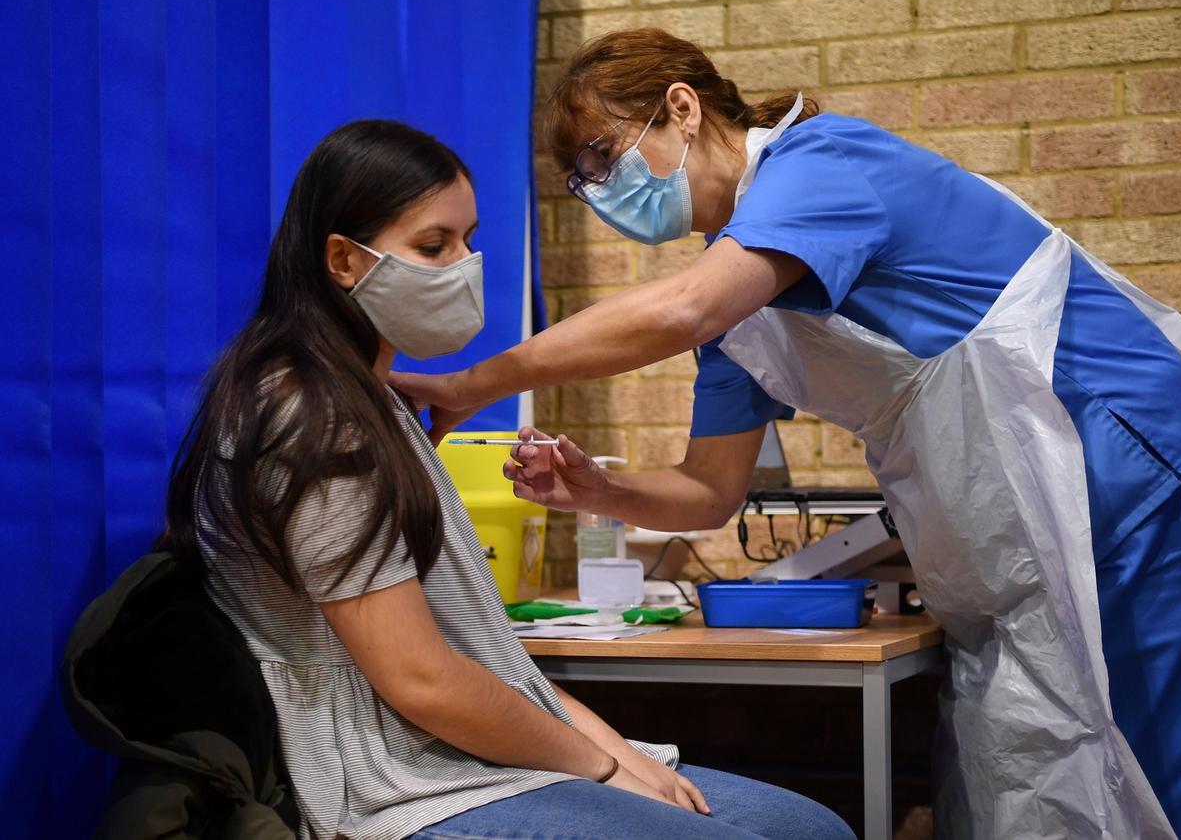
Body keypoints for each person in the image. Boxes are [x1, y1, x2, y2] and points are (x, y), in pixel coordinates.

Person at [389, 29, 1181, 840]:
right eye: (583, 182)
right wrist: (598, 489)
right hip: (1008, 524)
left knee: (1175, 774)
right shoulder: (745, 294)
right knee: (1033, 778)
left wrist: (475, 381)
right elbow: (711, 490)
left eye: (604, 156)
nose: (602, 192)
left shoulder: (818, 163)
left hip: (1120, 465)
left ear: (683, 108)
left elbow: (686, 310)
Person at [160, 119, 854, 840]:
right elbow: (422, 679)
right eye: (434, 246)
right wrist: (603, 769)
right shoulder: (308, 416)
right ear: (342, 259)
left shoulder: (379, 401)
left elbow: (489, 657)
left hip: (481, 756)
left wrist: (616, 753)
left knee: (811, 827)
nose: (463, 264)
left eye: (468, 239)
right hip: (401, 785)